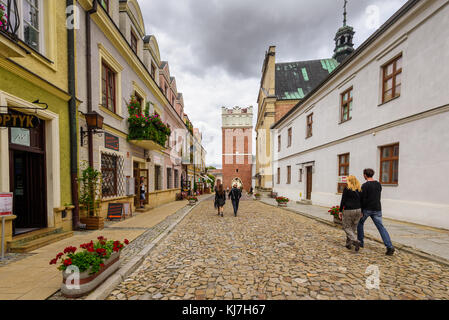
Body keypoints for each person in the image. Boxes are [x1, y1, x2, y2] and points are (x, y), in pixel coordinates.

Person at [358, 169, 395, 256]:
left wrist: (361, 210)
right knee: (381, 227)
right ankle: (389, 246)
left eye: (364, 175)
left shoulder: (364, 186)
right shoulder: (378, 184)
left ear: (365, 175)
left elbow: (363, 199)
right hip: (377, 208)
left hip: (367, 209)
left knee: (360, 223)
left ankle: (360, 242)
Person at [339, 175, 363, 252]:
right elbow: (362, 201)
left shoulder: (347, 189)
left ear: (349, 181)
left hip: (349, 210)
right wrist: (362, 211)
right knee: (352, 227)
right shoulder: (359, 189)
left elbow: (343, 200)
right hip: (358, 210)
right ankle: (348, 244)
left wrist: (340, 211)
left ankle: (355, 240)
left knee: (346, 227)